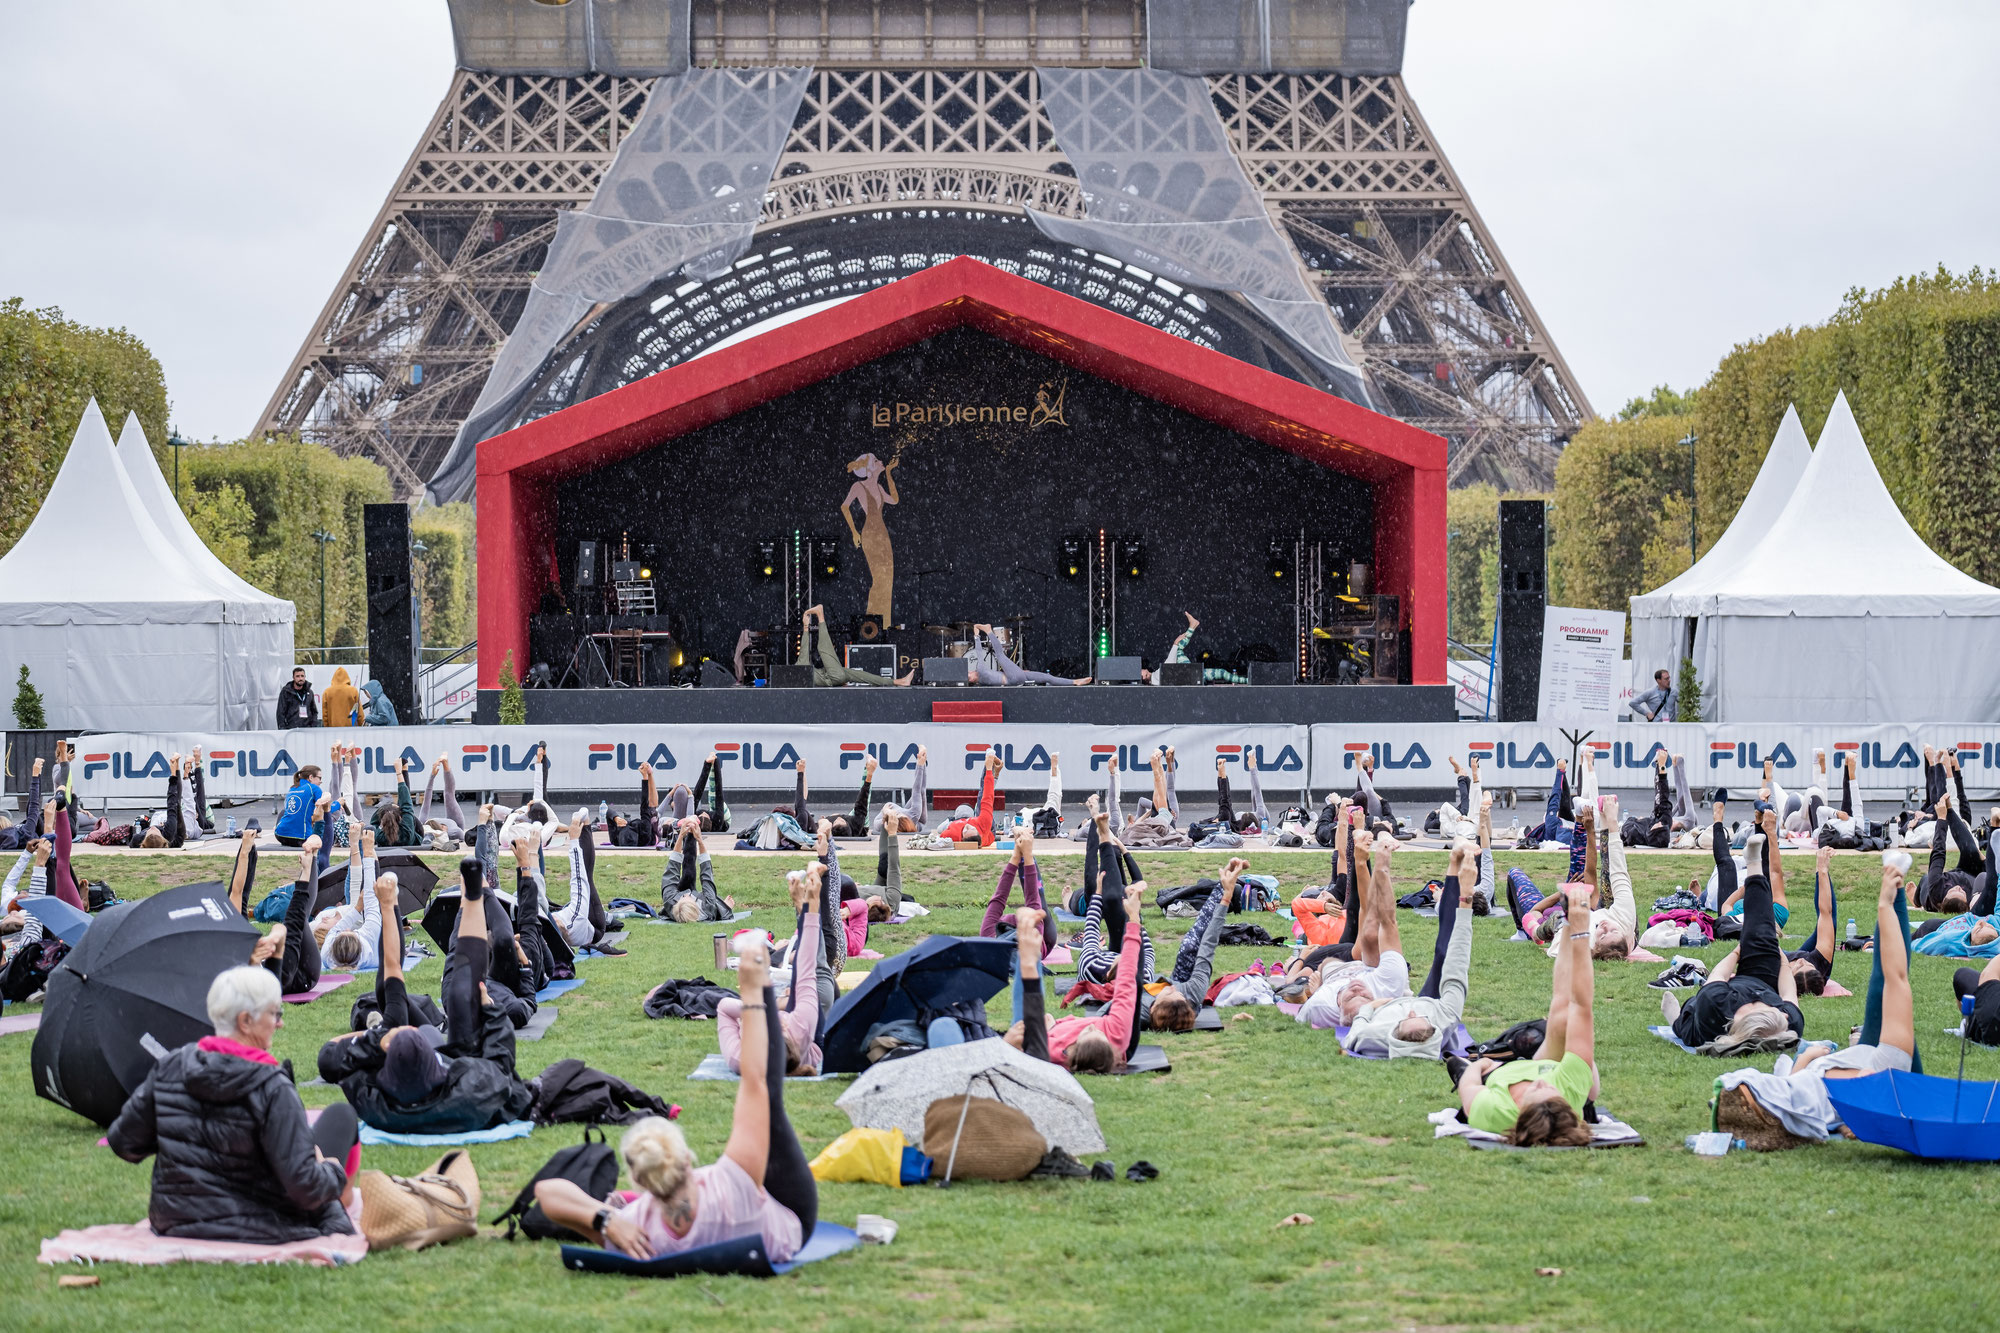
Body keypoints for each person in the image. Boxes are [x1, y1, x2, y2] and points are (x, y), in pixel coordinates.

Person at [534, 933, 815, 1262]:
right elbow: (756, 1082)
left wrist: (606, 1219)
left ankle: (760, 976)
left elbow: (547, 1192)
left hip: (674, 1214)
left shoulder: (636, 1233)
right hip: (792, 1220)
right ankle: (761, 973)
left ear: (638, 1179)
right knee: (769, 1105)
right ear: (687, 1159)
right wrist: (753, 991)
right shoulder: (731, 1186)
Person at [108, 965, 359, 1243]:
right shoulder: (271, 1086)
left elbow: (124, 1141)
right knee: (337, 1127)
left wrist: (184, 1133)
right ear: (245, 1021)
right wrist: (333, 1169)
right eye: (275, 1013)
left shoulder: (171, 1067)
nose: (280, 1022)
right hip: (261, 1226)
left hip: (177, 1221)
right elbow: (305, 1187)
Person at [316, 860, 537, 1134]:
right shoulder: (471, 1089)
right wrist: (490, 1012)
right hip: (456, 1074)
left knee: (451, 996)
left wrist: (377, 1038)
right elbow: (500, 1061)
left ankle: (469, 900)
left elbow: (348, 1063)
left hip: (425, 1067)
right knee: (462, 998)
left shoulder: (376, 1103)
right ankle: (473, 898)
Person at [1716, 858, 1919, 1149]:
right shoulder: (1814, 1106)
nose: (1800, 961)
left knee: (1888, 981)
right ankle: (1893, 895)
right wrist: (1883, 906)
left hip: (1851, 1069)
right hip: (1881, 1068)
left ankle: (1894, 891)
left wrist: (1811, 1056)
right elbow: (1895, 977)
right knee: (1888, 980)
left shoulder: (1795, 1092)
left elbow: (1794, 1081)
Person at [1459, 879, 1598, 1146]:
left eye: (1536, 1089)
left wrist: (1480, 1065)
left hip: (1500, 1073)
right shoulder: (1568, 1088)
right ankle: (1566, 923)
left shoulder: (1493, 1112)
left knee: (1555, 1017)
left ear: (1520, 1110)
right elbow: (1582, 1005)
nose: (1543, 1083)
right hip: (1572, 1079)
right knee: (1562, 1015)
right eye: (1551, 1091)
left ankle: (1566, 923)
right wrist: (1581, 932)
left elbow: (1469, 1085)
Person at [1661, 802, 1804, 1053]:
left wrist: (1739, 951)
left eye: (1760, 1007)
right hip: (1758, 978)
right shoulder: (1788, 1022)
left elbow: (1717, 977)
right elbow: (1788, 990)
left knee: (1687, 1026)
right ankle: (1754, 863)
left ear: (1740, 1018)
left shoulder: (1715, 1008)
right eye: (1771, 1007)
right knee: (1763, 938)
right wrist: (1776, 954)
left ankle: (1675, 1021)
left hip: (1701, 1014)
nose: (1764, 1004)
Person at [1340, 835, 1476, 1059]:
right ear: (1435, 1030)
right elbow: (1458, 963)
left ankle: (1373, 863)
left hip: (1381, 996)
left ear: (1393, 1031)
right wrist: (1467, 897)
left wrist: (1375, 1005)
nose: (1411, 1011)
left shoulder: (1370, 1036)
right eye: (1419, 1017)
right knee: (1445, 952)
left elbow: (1360, 1020)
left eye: (1406, 1019)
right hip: (1429, 1001)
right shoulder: (1445, 1019)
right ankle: (1455, 859)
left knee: (1371, 931)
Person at [1006, 881, 1146, 1074]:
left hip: (1055, 1039)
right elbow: (1128, 977)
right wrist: (1133, 919)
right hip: (1120, 1044)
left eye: (1088, 1030)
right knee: (1132, 981)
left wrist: (1049, 1026)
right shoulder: (1115, 1032)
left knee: (1025, 1028)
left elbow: (1028, 1008)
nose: (1092, 1026)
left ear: (1073, 1047)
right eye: (1098, 1030)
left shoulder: (1051, 1050)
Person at [717, 868, 824, 1075]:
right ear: (785, 1030)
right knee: (818, 979)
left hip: (789, 1044)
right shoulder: (800, 1026)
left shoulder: (741, 1058)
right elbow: (807, 965)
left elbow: (723, 1007)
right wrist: (810, 908)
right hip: (811, 1047)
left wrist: (760, 1008)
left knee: (756, 983)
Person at [1138, 857, 1249, 1032]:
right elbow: (1208, 944)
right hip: (1179, 995)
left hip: (1145, 989)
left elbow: (1109, 1011)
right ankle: (1224, 884)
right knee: (1191, 946)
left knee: (1182, 948)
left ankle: (1224, 882)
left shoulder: (1140, 1009)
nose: (1172, 988)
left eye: (1170, 992)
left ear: (1153, 1007)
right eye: (1177, 993)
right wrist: (1226, 898)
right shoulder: (1192, 992)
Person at [979, 829, 1057, 958]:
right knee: (1040, 902)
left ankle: (1024, 844)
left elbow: (999, 898)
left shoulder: (988, 938)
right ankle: (1025, 847)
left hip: (1008, 933)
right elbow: (1033, 900)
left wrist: (1017, 854)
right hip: (1045, 940)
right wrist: (1026, 853)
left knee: (1036, 902)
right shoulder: (1033, 943)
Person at [795, 604, 914, 686]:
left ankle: (899, 682)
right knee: (823, 649)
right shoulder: (798, 675)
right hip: (834, 677)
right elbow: (804, 652)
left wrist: (806, 627)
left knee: (862, 676)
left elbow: (804, 651)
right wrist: (806, 627)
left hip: (832, 674)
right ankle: (820, 616)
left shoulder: (799, 669)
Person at [553, 809, 619, 951]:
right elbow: (578, 878)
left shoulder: (547, 922)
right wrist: (574, 841)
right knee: (587, 878)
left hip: (572, 925)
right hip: (594, 925)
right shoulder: (574, 919)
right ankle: (586, 821)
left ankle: (585, 821)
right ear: (561, 926)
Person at [966, 623, 1091, 686]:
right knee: (1000, 655)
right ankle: (989, 631)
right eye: (968, 675)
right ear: (972, 679)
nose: (970, 672)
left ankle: (1074, 682)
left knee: (1047, 677)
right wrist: (976, 636)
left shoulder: (983, 679)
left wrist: (1018, 672)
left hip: (1015, 676)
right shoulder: (980, 673)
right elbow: (978, 653)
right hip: (1013, 678)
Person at [662, 818, 736, 922]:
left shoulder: (670, 901)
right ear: (696, 904)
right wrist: (700, 840)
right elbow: (707, 874)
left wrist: (681, 836)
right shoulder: (708, 906)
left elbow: (672, 868)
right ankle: (692, 833)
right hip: (708, 905)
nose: (688, 893)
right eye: (689, 897)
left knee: (687, 875)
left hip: (681, 902)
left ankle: (689, 835)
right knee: (718, 905)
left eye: (684, 896)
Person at [934, 749, 1003, 847]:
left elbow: (940, 836)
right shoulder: (982, 823)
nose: (967, 826)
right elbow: (987, 798)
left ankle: (990, 763)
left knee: (982, 797)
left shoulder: (950, 831)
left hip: (955, 826)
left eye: (965, 830)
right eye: (972, 828)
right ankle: (990, 764)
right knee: (982, 799)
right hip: (988, 832)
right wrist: (989, 771)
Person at [370, 757, 420, 848]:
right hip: (414, 841)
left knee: (405, 811)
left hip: (387, 847)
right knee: (407, 811)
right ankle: (405, 770)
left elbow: (373, 822)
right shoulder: (406, 833)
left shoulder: (380, 837)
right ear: (400, 818)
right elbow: (406, 805)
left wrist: (387, 807)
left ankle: (405, 770)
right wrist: (399, 773)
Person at [274, 766, 323, 848]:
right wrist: (338, 804)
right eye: (319, 778)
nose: (321, 781)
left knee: (284, 811)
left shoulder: (292, 788)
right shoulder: (314, 788)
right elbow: (327, 809)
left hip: (279, 835)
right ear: (311, 777)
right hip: (301, 838)